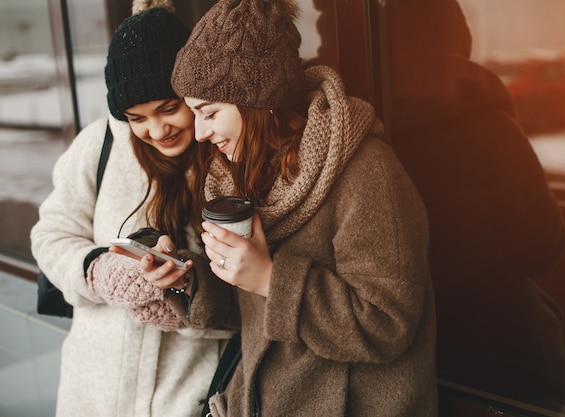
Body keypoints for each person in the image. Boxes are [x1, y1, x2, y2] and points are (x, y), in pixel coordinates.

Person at [148, 0, 437, 415]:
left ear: (257, 101)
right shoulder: (239, 174)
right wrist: (184, 278)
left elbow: (386, 325)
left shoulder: (367, 173)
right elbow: (250, 310)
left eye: (209, 113)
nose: (198, 133)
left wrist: (269, 277)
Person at [30, 1, 235, 416]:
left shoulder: (228, 154)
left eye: (168, 108)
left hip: (189, 394)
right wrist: (97, 271)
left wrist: (187, 297)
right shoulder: (98, 146)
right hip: (93, 391)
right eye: (136, 117)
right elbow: (50, 234)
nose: (157, 130)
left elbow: (255, 291)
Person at [387, 0, 565, 409]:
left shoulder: (360, 126)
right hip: (506, 362)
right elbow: (543, 246)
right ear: (459, 41)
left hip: (404, 363)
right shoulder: (489, 128)